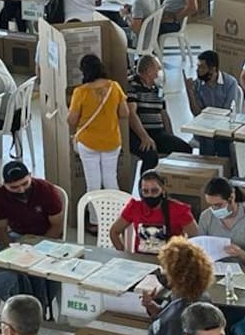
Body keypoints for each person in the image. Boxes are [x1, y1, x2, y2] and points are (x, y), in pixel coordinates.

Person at [71, 53, 129, 197]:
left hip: (88, 142)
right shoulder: (114, 87)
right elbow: (124, 113)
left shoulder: (80, 92)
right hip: (111, 141)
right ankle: (115, 209)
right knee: (111, 180)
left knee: (93, 185)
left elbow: (71, 120)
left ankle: (94, 211)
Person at [111, 169, 198, 254]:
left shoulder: (179, 210)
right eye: (145, 191)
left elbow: (197, 237)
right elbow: (114, 231)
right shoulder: (134, 207)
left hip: (170, 260)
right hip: (140, 260)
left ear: (163, 189)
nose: (150, 195)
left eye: (154, 191)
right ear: (141, 192)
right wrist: (123, 254)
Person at [128, 54, 190, 172]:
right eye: (158, 69)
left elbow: (163, 112)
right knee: (151, 156)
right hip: (139, 133)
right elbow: (131, 113)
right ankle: (145, 181)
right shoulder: (132, 85)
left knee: (184, 149)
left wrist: (170, 135)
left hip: (158, 132)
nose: (159, 73)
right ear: (149, 71)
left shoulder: (157, 88)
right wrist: (144, 137)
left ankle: (174, 178)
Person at [196, 177, 245, 267]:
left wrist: (241, 254)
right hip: (215, 269)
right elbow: (200, 252)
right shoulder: (206, 217)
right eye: (211, 205)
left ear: (232, 197)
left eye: (218, 205)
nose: (214, 210)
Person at [0, 160, 64, 247]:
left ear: (30, 176)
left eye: (25, 183)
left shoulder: (46, 189)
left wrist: (40, 247)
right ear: (4, 184)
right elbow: (1, 230)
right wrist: (7, 249)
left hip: (46, 234)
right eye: (14, 187)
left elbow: (57, 226)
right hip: (17, 235)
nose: (21, 190)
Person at [185, 50, 240, 158]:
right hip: (205, 128)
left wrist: (208, 116)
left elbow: (227, 112)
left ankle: (225, 165)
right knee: (207, 139)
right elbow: (196, 113)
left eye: (202, 67)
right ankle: (208, 166)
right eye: (198, 66)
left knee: (221, 142)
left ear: (213, 69)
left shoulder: (230, 83)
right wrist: (190, 92)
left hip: (223, 127)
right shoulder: (197, 85)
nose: (198, 70)